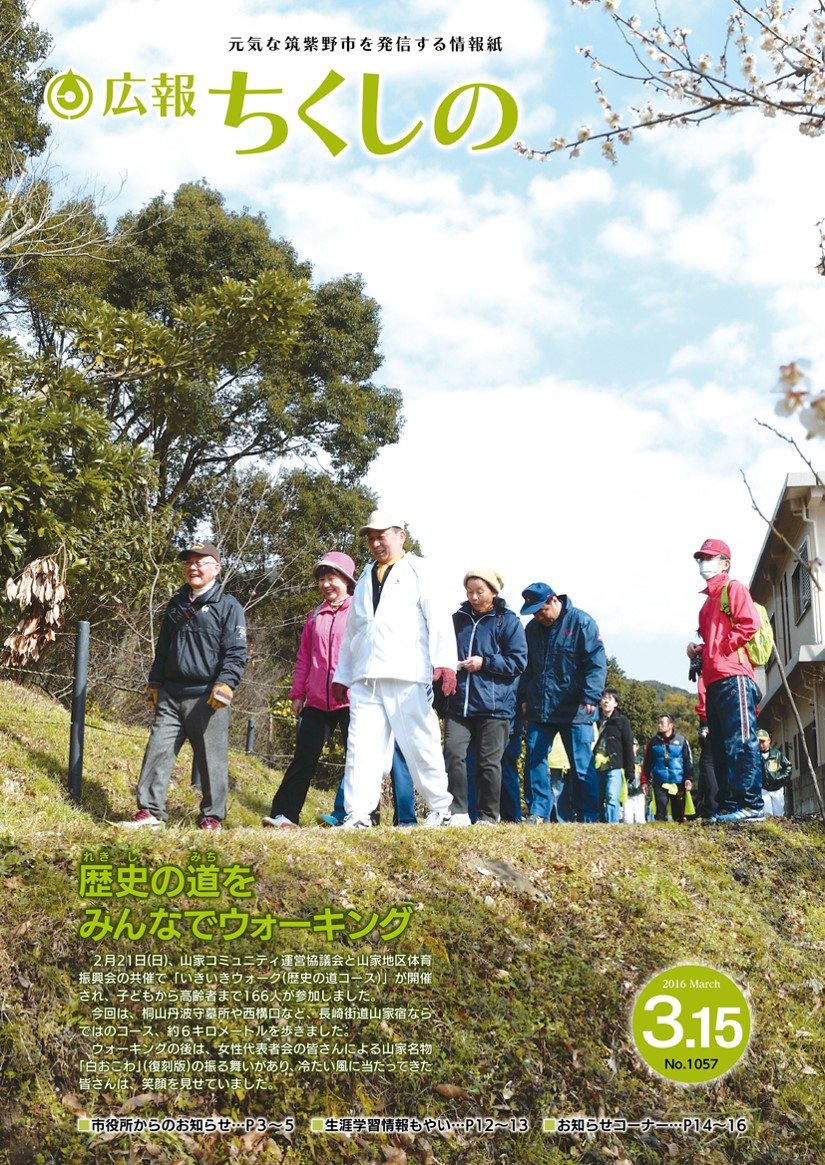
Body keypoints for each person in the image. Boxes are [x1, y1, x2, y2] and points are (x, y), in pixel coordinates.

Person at [331, 510, 456, 828]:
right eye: (370, 537)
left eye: (381, 535)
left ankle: (441, 809)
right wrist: (343, 674)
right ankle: (358, 814)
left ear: (401, 536)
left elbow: (438, 618)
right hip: (366, 677)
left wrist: (444, 663)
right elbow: (354, 630)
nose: (374, 543)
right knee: (362, 747)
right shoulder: (362, 579)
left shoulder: (419, 570)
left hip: (408, 673)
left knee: (420, 741)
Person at [119, 540, 247, 831]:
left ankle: (212, 817)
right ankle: (150, 812)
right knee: (157, 750)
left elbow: (237, 652)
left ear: (216, 567)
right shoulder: (176, 603)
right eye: (189, 562)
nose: (193, 567)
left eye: (201, 561)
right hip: (171, 693)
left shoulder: (228, 607)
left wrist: (226, 683)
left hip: (208, 696)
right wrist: (155, 681)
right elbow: (163, 647)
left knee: (211, 759)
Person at [262, 552, 356, 829]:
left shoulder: (358, 611)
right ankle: (284, 815)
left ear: (347, 581)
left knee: (357, 760)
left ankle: (357, 816)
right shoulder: (314, 615)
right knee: (303, 759)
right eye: (322, 579)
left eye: (332, 578)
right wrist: (297, 694)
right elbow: (304, 656)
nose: (327, 584)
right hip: (315, 701)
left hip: (351, 699)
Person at [687, 538, 765, 823]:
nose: (702, 564)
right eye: (700, 559)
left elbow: (750, 623)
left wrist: (721, 648)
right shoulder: (706, 603)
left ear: (725, 563)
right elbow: (712, 639)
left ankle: (751, 805)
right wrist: (700, 651)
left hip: (735, 676)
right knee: (720, 746)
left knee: (742, 742)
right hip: (715, 680)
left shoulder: (734, 588)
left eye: (708, 558)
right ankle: (730, 806)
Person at [443, 569, 528, 825]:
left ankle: (488, 816)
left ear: (493, 591)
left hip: (495, 706)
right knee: (452, 754)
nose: (474, 597)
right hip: (458, 703)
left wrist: (485, 662)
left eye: (480, 591)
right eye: (469, 591)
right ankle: (457, 812)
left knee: (488, 763)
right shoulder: (457, 619)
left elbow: (518, 661)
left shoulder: (508, 622)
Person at [518, 583, 607, 823]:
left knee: (581, 764)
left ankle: (588, 816)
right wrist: (524, 697)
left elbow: (596, 662)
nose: (539, 616)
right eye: (534, 613)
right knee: (535, 760)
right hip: (540, 707)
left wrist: (591, 695)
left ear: (554, 601)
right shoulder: (532, 629)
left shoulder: (582, 623)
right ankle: (538, 813)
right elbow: (527, 668)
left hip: (576, 708)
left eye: (541, 610)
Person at [642, 714, 694, 823]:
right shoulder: (652, 742)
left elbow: (688, 761)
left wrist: (688, 778)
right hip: (660, 782)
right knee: (660, 813)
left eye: (662, 723)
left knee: (678, 814)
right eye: (658, 723)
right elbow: (646, 763)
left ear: (671, 725)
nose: (659, 725)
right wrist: (644, 781)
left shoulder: (682, 741)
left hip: (678, 781)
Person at [594, 689, 635, 823]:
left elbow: (628, 746)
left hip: (615, 764)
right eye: (604, 698)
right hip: (596, 764)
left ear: (615, 703)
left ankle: (612, 824)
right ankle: (598, 822)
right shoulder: (594, 719)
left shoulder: (622, 721)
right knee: (597, 796)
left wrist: (630, 771)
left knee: (612, 796)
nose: (606, 701)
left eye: (609, 699)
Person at [758, 728, 792, 817]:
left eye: (763, 741)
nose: (761, 745)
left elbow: (788, 766)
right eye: (758, 742)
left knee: (779, 812)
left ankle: (779, 828)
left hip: (777, 788)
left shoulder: (777, 754)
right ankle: (769, 828)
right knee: (766, 812)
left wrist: (780, 777)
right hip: (764, 788)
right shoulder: (755, 756)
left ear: (768, 740)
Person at [622, 737, 646, 824]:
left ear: (637, 747)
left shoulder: (642, 760)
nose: (630, 747)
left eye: (633, 745)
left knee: (640, 819)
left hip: (639, 791)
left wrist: (645, 785)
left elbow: (646, 775)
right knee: (627, 819)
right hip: (626, 792)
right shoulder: (622, 761)